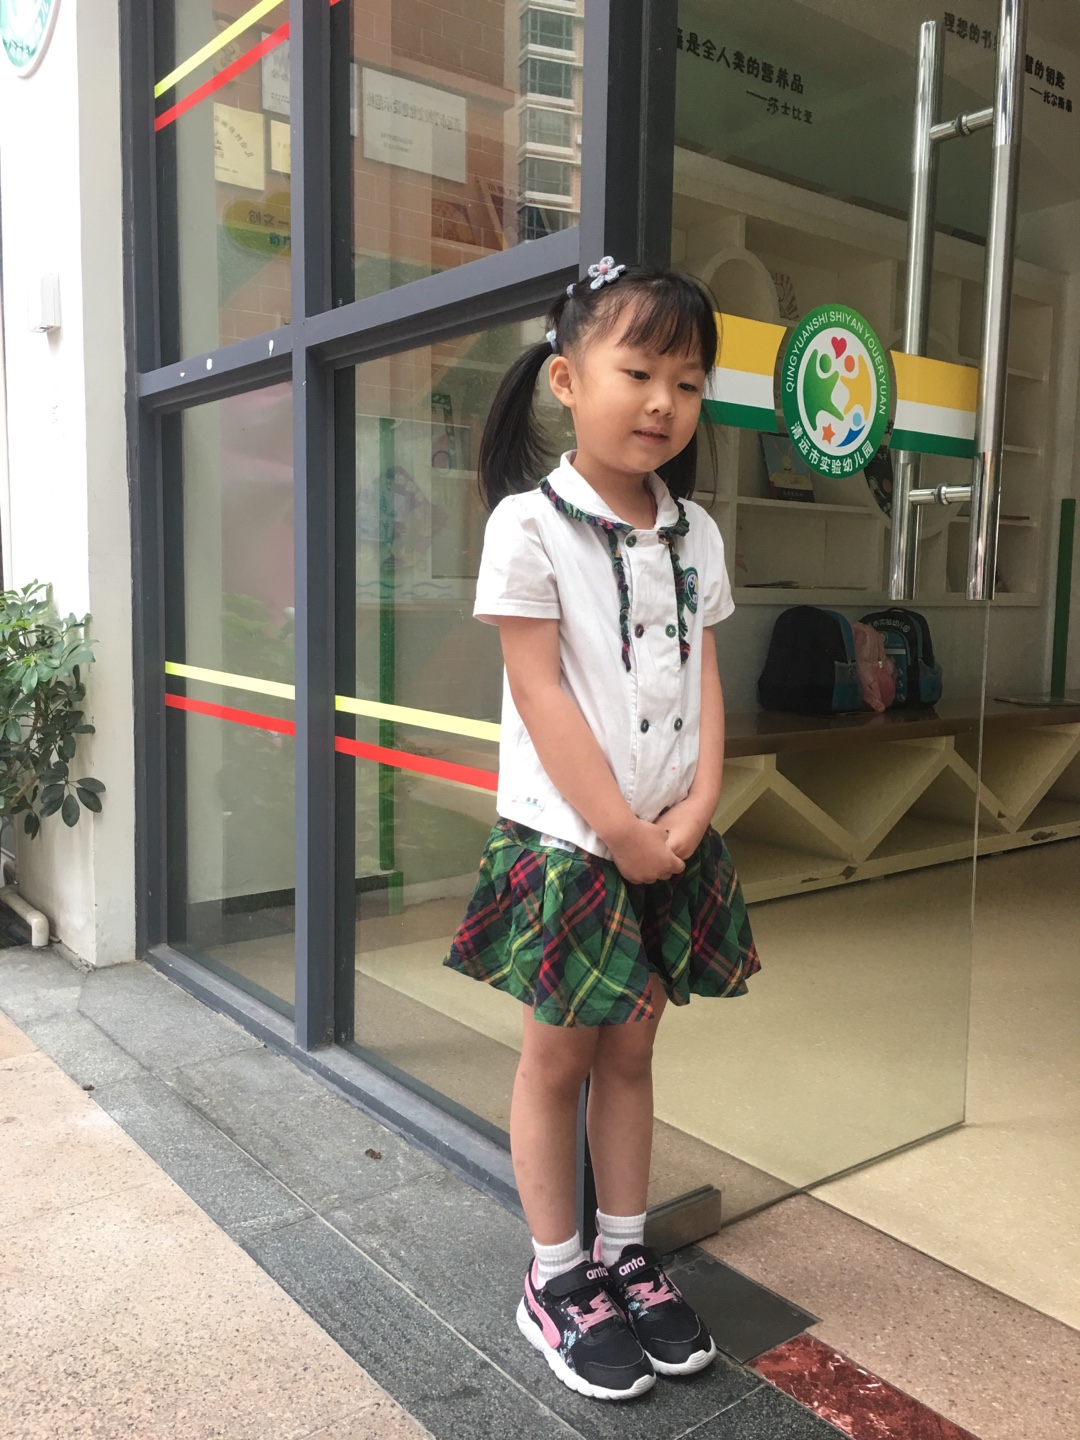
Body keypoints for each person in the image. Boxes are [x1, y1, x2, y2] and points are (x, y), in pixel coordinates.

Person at [445, 257, 760, 1403]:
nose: (665, 401)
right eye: (640, 372)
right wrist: (624, 828)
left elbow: (706, 677)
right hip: (573, 846)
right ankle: (556, 1278)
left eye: (689, 380)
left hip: (668, 840)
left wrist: (699, 806)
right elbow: (539, 693)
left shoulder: (696, 531)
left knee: (632, 1050)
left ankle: (627, 1255)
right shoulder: (528, 526)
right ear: (568, 379)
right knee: (557, 1058)